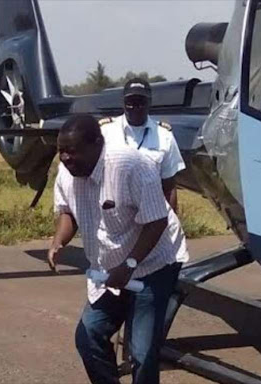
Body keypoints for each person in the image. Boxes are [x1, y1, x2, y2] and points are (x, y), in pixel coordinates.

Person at [48, 114, 189, 384]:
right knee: (88, 334)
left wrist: (130, 265)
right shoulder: (67, 173)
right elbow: (68, 212)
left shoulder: (131, 165)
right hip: (110, 270)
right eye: (61, 151)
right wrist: (59, 241)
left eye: (72, 151)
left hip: (153, 263)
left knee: (141, 350)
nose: (65, 158)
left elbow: (157, 219)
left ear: (97, 144)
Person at [99, 78, 185, 211]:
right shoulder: (105, 132)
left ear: (149, 102)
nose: (135, 107)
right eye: (130, 103)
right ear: (123, 103)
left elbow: (169, 187)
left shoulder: (164, 136)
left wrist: (169, 223)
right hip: (115, 215)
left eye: (141, 103)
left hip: (152, 213)